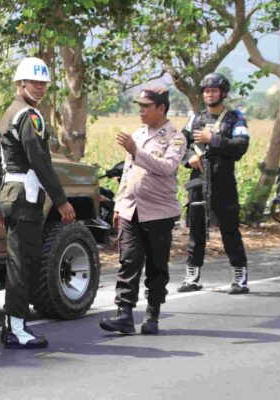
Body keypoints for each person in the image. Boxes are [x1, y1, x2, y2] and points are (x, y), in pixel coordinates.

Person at [0, 57, 76, 349]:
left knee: (18, 262)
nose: (40, 88)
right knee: (23, 264)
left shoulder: (9, 112)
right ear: (21, 84)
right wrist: (62, 201)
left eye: (43, 83)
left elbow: (1, 162)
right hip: (25, 197)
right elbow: (40, 162)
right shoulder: (29, 116)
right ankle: (16, 328)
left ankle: (11, 325)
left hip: (11, 195)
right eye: (34, 82)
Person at [99, 83, 186, 335]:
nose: (142, 111)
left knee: (157, 266)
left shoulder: (176, 138)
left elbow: (166, 168)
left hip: (158, 212)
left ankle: (152, 315)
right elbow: (127, 173)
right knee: (128, 262)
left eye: (147, 107)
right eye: (140, 106)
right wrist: (118, 206)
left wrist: (136, 152)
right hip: (130, 209)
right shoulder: (137, 134)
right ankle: (124, 316)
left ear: (161, 108)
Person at [178, 72, 250, 295]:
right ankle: (192, 275)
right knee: (196, 229)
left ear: (223, 93)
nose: (209, 94)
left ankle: (240, 276)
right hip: (198, 181)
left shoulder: (234, 118)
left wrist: (213, 140)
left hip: (223, 181)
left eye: (214, 90)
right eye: (206, 91)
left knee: (229, 229)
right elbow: (180, 143)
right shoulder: (196, 119)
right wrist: (188, 159)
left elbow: (240, 146)